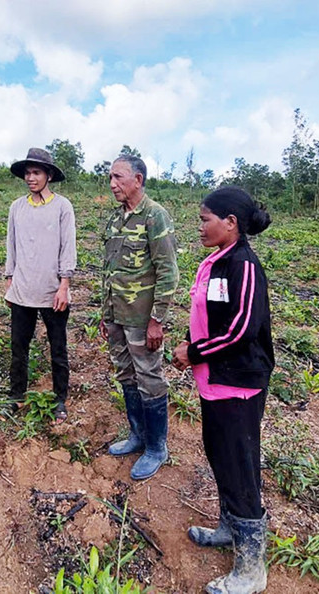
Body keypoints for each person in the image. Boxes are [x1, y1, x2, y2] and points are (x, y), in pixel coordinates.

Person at [172, 186, 273, 594]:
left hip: (238, 385)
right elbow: (208, 317)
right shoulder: (216, 261)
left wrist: (193, 351)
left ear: (230, 223)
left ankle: (252, 568)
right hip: (215, 381)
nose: (200, 226)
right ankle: (230, 529)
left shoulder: (243, 266)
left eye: (205, 219)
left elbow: (240, 331)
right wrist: (193, 349)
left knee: (240, 466)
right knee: (220, 455)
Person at [101, 155, 179, 480]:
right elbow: (109, 271)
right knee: (126, 375)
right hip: (118, 317)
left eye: (118, 177)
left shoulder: (155, 217)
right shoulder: (115, 220)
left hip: (142, 319)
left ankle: (156, 448)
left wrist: (157, 320)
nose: (112, 184)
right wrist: (106, 316)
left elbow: (168, 272)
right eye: (110, 177)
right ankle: (137, 436)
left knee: (149, 377)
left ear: (138, 179)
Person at [4, 148, 76, 422]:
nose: (30, 178)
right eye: (27, 173)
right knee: (18, 348)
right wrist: (9, 280)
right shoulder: (17, 207)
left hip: (52, 291)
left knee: (58, 349)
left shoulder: (62, 207)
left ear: (48, 175)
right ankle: (16, 396)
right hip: (22, 289)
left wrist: (64, 284)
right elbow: (11, 246)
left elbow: (67, 247)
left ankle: (60, 399)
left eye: (36, 173)